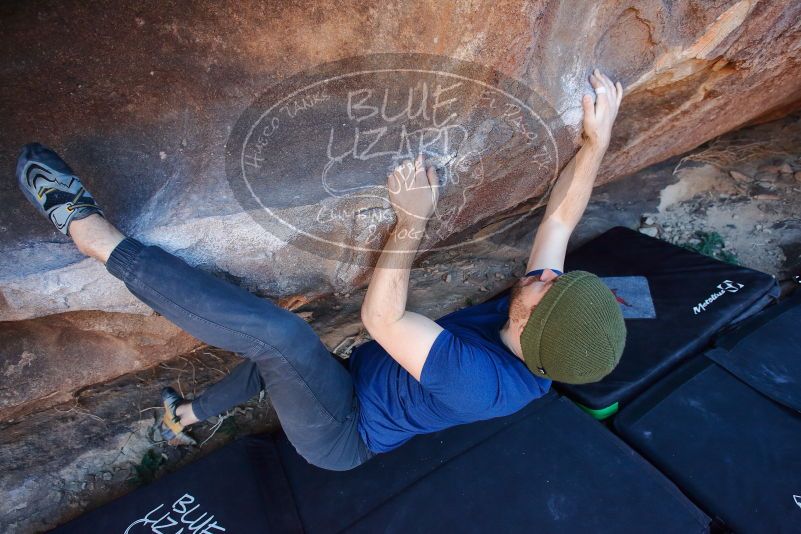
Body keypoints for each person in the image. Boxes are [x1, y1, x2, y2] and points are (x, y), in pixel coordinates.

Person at [16, 69, 625, 471]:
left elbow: (381, 316)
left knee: (280, 339)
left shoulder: (484, 384)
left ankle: (95, 239)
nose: (542, 276)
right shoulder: (544, 323)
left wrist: (411, 219)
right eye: (556, 278)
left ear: (532, 340)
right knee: (281, 364)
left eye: (545, 289)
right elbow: (558, 227)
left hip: (345, 433)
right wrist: (597, 143)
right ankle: (187, 417)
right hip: (358, 379)